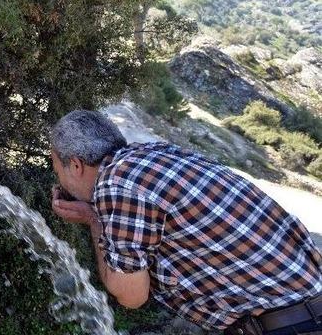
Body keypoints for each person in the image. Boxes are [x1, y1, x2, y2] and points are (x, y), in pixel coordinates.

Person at [49, 110, 322, 335]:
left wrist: (93, 218)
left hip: (291, 326)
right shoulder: (155, 155)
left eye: (57, 171)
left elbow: (131, 295)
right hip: (305, 310)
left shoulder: (117, 183)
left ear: (76, 165)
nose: (59, 182)